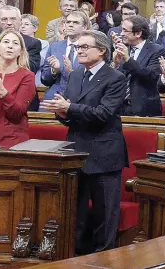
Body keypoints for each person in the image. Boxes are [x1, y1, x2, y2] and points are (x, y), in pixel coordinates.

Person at [40, 30, 128, 254]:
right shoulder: (77, 74)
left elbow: (103, 114)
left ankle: (103, 259)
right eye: (78, 47)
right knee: (74, 212)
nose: (79, 50)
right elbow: (71, 113)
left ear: (102, 50)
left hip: (104, 153)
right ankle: (74, 255)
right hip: (76, 152)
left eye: (85, 47)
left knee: (104, 214)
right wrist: (61, 113)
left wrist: (69, 108)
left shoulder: (115, 77)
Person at [113, 15, 165, 116]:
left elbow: (151, 76)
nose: (121, 34)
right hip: (120, 108)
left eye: (125, 31)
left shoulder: (157, 51)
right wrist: (115, 64)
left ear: (138, 33)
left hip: (144, 109)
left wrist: (128, 60)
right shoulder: (123, 49)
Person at [40, 10, 90, 102]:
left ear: (84, 27)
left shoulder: (90, 49)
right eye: (68, 22)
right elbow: (44, 79)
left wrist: (72, 72)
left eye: (75, 22)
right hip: (53, 98)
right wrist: (54, 71)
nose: (70, 25)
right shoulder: (55, 46)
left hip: (79, 100)